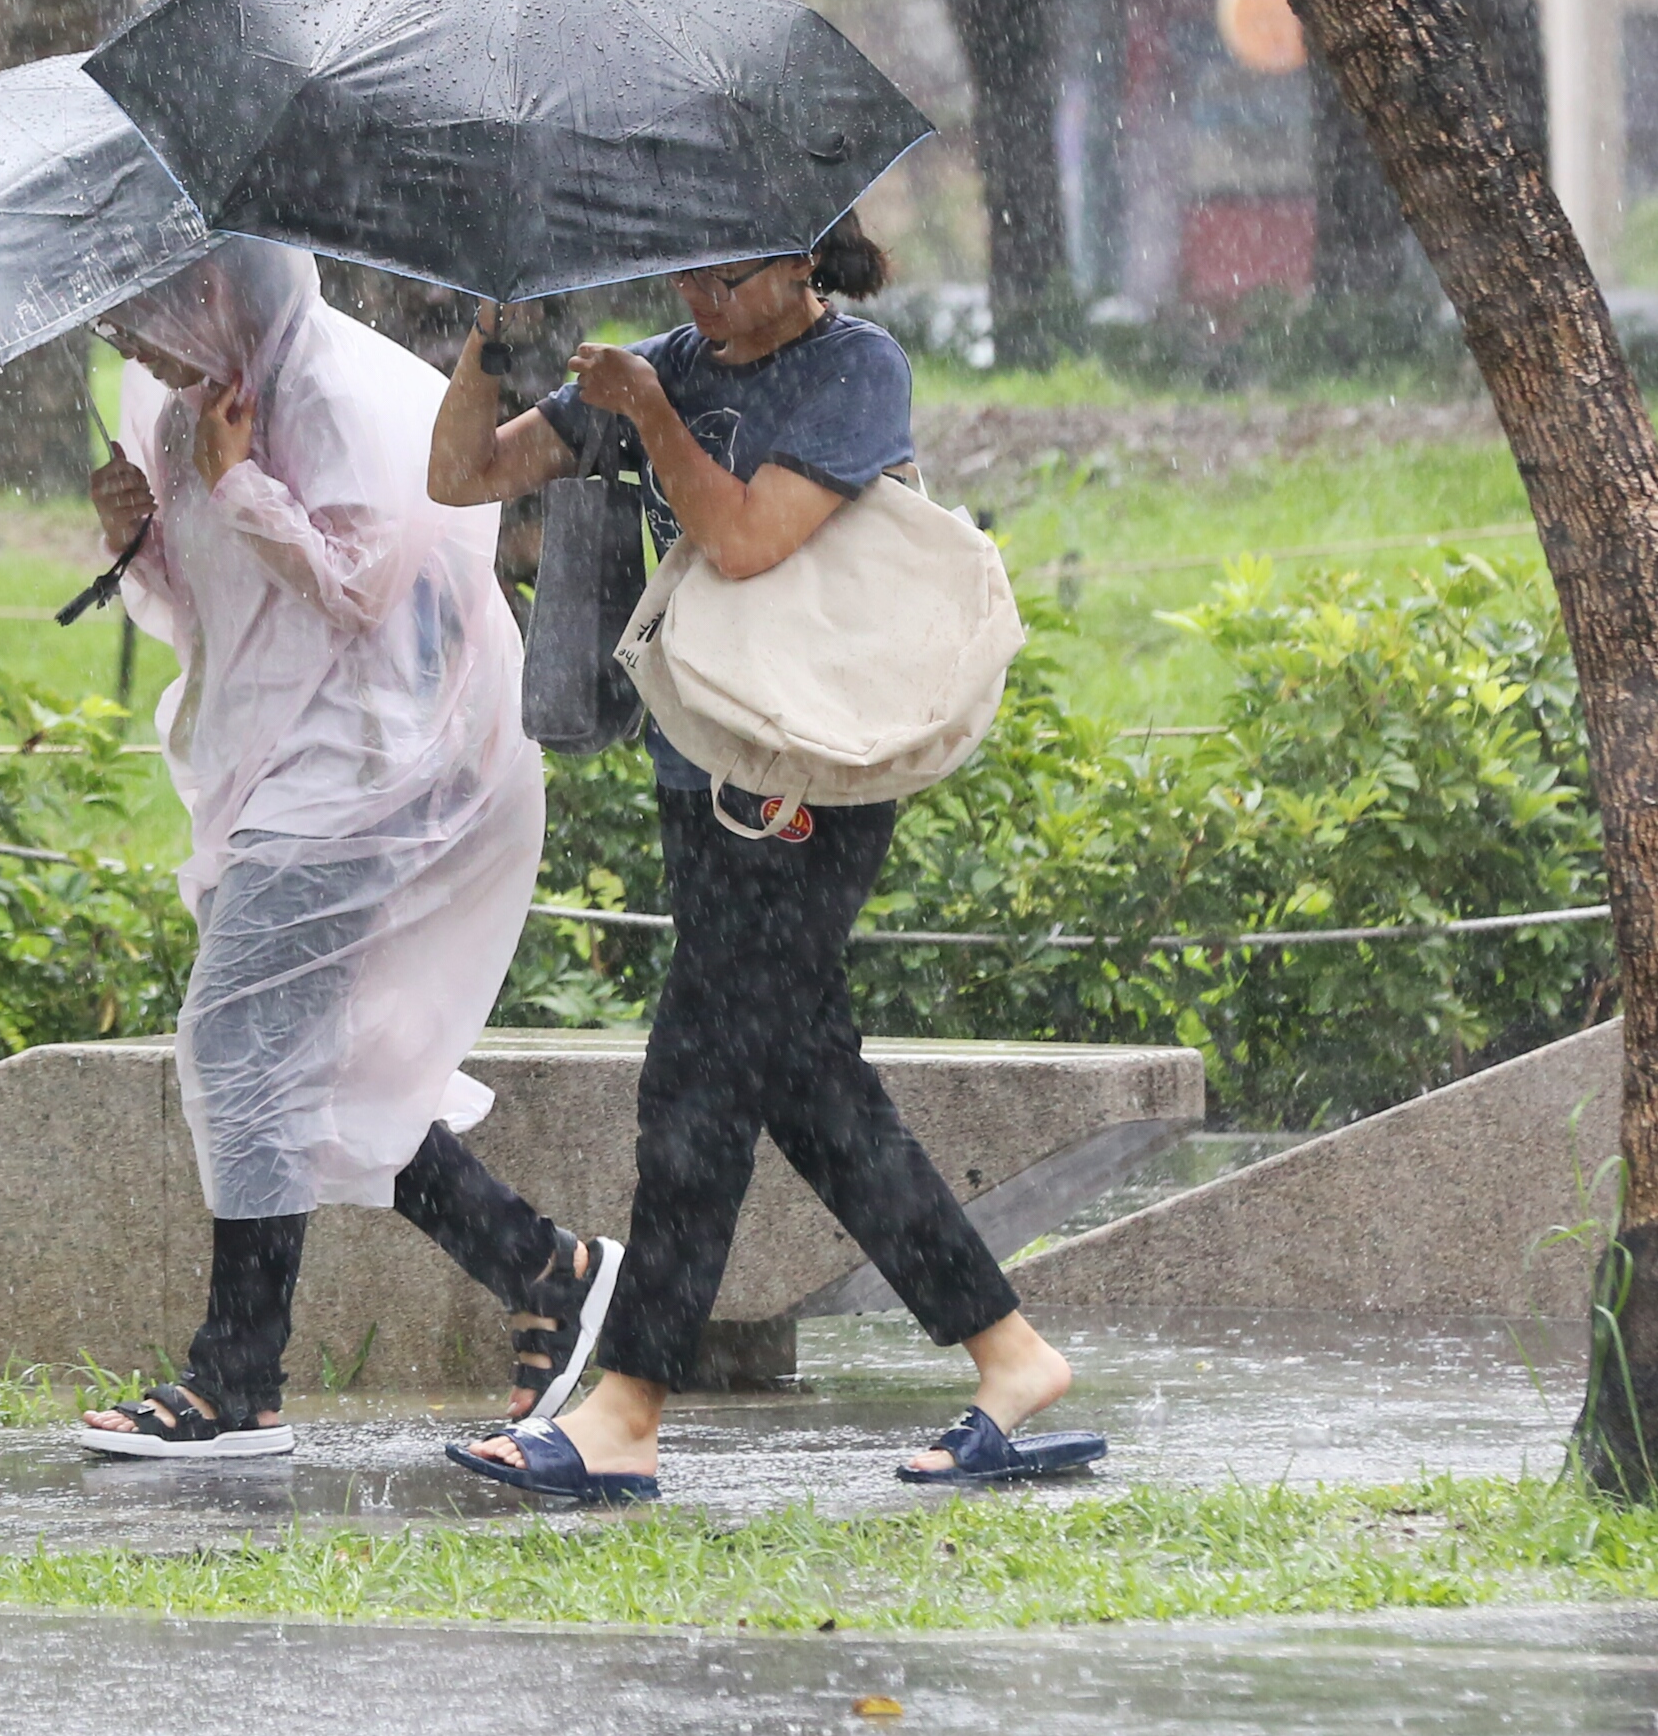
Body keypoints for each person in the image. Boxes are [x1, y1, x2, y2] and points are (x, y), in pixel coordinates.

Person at [422, 214, 1104, 1499]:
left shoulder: (856, 368)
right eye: (685, 272)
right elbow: (463, 479)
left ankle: (627, 1403)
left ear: (805, 259)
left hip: (808, 776)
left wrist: (653, 415)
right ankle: (1011, 1358)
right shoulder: (665, 358)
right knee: (806, 1083)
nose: (704, 298)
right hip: (706, 767)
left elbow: (742, 540)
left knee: (695, 1082)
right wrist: (490, 342)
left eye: (729, 274)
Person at [73, 237, 619, 1462]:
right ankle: (550, 1269)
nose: (131, 349)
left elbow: (364, 587)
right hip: (272, 752)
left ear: (209, 291)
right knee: (301, 1062)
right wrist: (138, 534)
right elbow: (210, 592)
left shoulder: (321, 391)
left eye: (143, 321)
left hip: (379, 756)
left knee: (237, 1038)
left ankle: (237, 1378)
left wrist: (243, 483)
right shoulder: (175, 399)